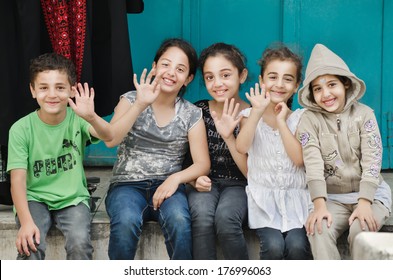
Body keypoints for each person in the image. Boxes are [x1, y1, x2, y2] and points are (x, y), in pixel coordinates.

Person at [104, 38, 210, 260]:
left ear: (188, 79)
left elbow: (202, 164)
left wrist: (175, 179)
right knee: (126, 221)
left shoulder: (191, 113)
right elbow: (110, 140)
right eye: (165, 64)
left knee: (180, 221)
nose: (171, 72)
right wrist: (140, 104)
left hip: (169, 189)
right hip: (126, 185)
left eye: (180, 69)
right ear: (154, 67)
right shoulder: (130, 99)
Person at [7, 52, 114, 260]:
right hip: (34, 198)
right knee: (31, 244)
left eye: (60, 87)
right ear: (32, 90)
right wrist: (26, 222)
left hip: (72, 198)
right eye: (44, 87)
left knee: (79, 243)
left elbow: (109, 136)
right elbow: (17, 180)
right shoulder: (20, 129)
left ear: (72, 90)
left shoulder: (78, 120)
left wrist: (91, 116)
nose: (52, 94)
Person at [297, 43, 392, 260]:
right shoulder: (309, 121)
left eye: (332, 84)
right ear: (311, 94)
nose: (326, 93)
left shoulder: (365, 115)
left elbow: (373, 158)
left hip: (371, 194)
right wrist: (319, 205)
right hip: (332, 197)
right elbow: (312, 163)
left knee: (362, 231)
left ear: (345, 84)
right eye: (318, 88)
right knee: (319, 229)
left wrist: (365, 202)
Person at [236, 44, 313, 260]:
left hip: (296, 201)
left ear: (297, 85)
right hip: (265, 203)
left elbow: (298, 159)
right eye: (272, 77)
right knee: (273, 246)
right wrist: (258, 112)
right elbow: (242, 147)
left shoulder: (301, 118)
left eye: (288, 79)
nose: (279, 84)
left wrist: (281, 122)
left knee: (298, 245)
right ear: (261, 81)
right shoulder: (249, 114)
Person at [185, 43, 250, 259]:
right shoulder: (199, 110)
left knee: (226, 219)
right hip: (205, 183)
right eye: (210, 77)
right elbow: (187, 159)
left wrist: (229, 135)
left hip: (240, 184)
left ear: (242, 76)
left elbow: (252, 173)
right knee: (202, 218)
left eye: (225, 75)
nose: (217, 83)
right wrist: (193, 180)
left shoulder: (251, 113)